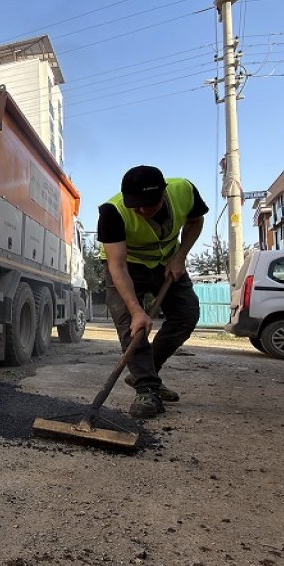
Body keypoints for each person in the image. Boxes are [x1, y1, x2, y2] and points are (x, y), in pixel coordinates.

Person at [98, 165, 206, 418]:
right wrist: (137, 311)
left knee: (186, 315)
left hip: (167, 262)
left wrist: (180, 256)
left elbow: (195, 221)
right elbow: (117, 264)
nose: (143, 210)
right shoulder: (112, 212)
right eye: (137, 205)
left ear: (164, 193)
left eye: (150, 204)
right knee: (131, 325)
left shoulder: (184, 190)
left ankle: (145, 373)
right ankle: (147, 390)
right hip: (127, 268)